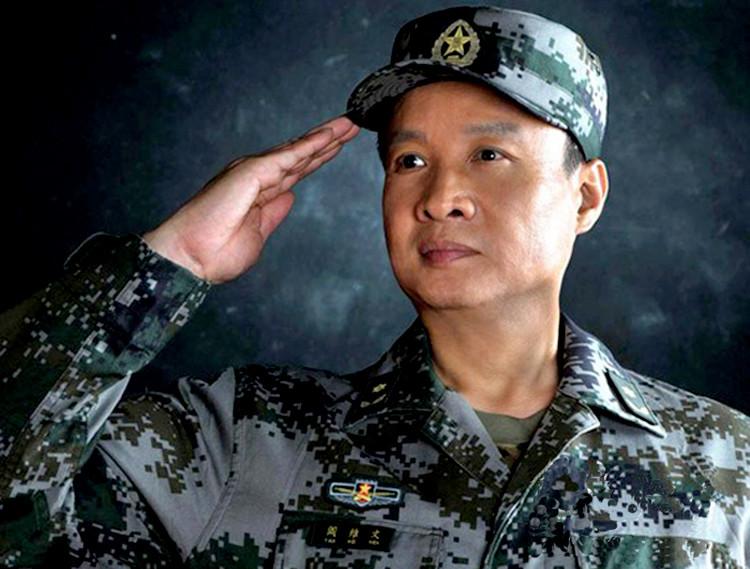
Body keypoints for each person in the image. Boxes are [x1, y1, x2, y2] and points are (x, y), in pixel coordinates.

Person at [1, 5, 747, 568]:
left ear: (584, 196)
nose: (440, 197)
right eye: (409, 161)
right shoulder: (246, 444)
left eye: (489, 154)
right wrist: (169, 263)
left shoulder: (726, 465)